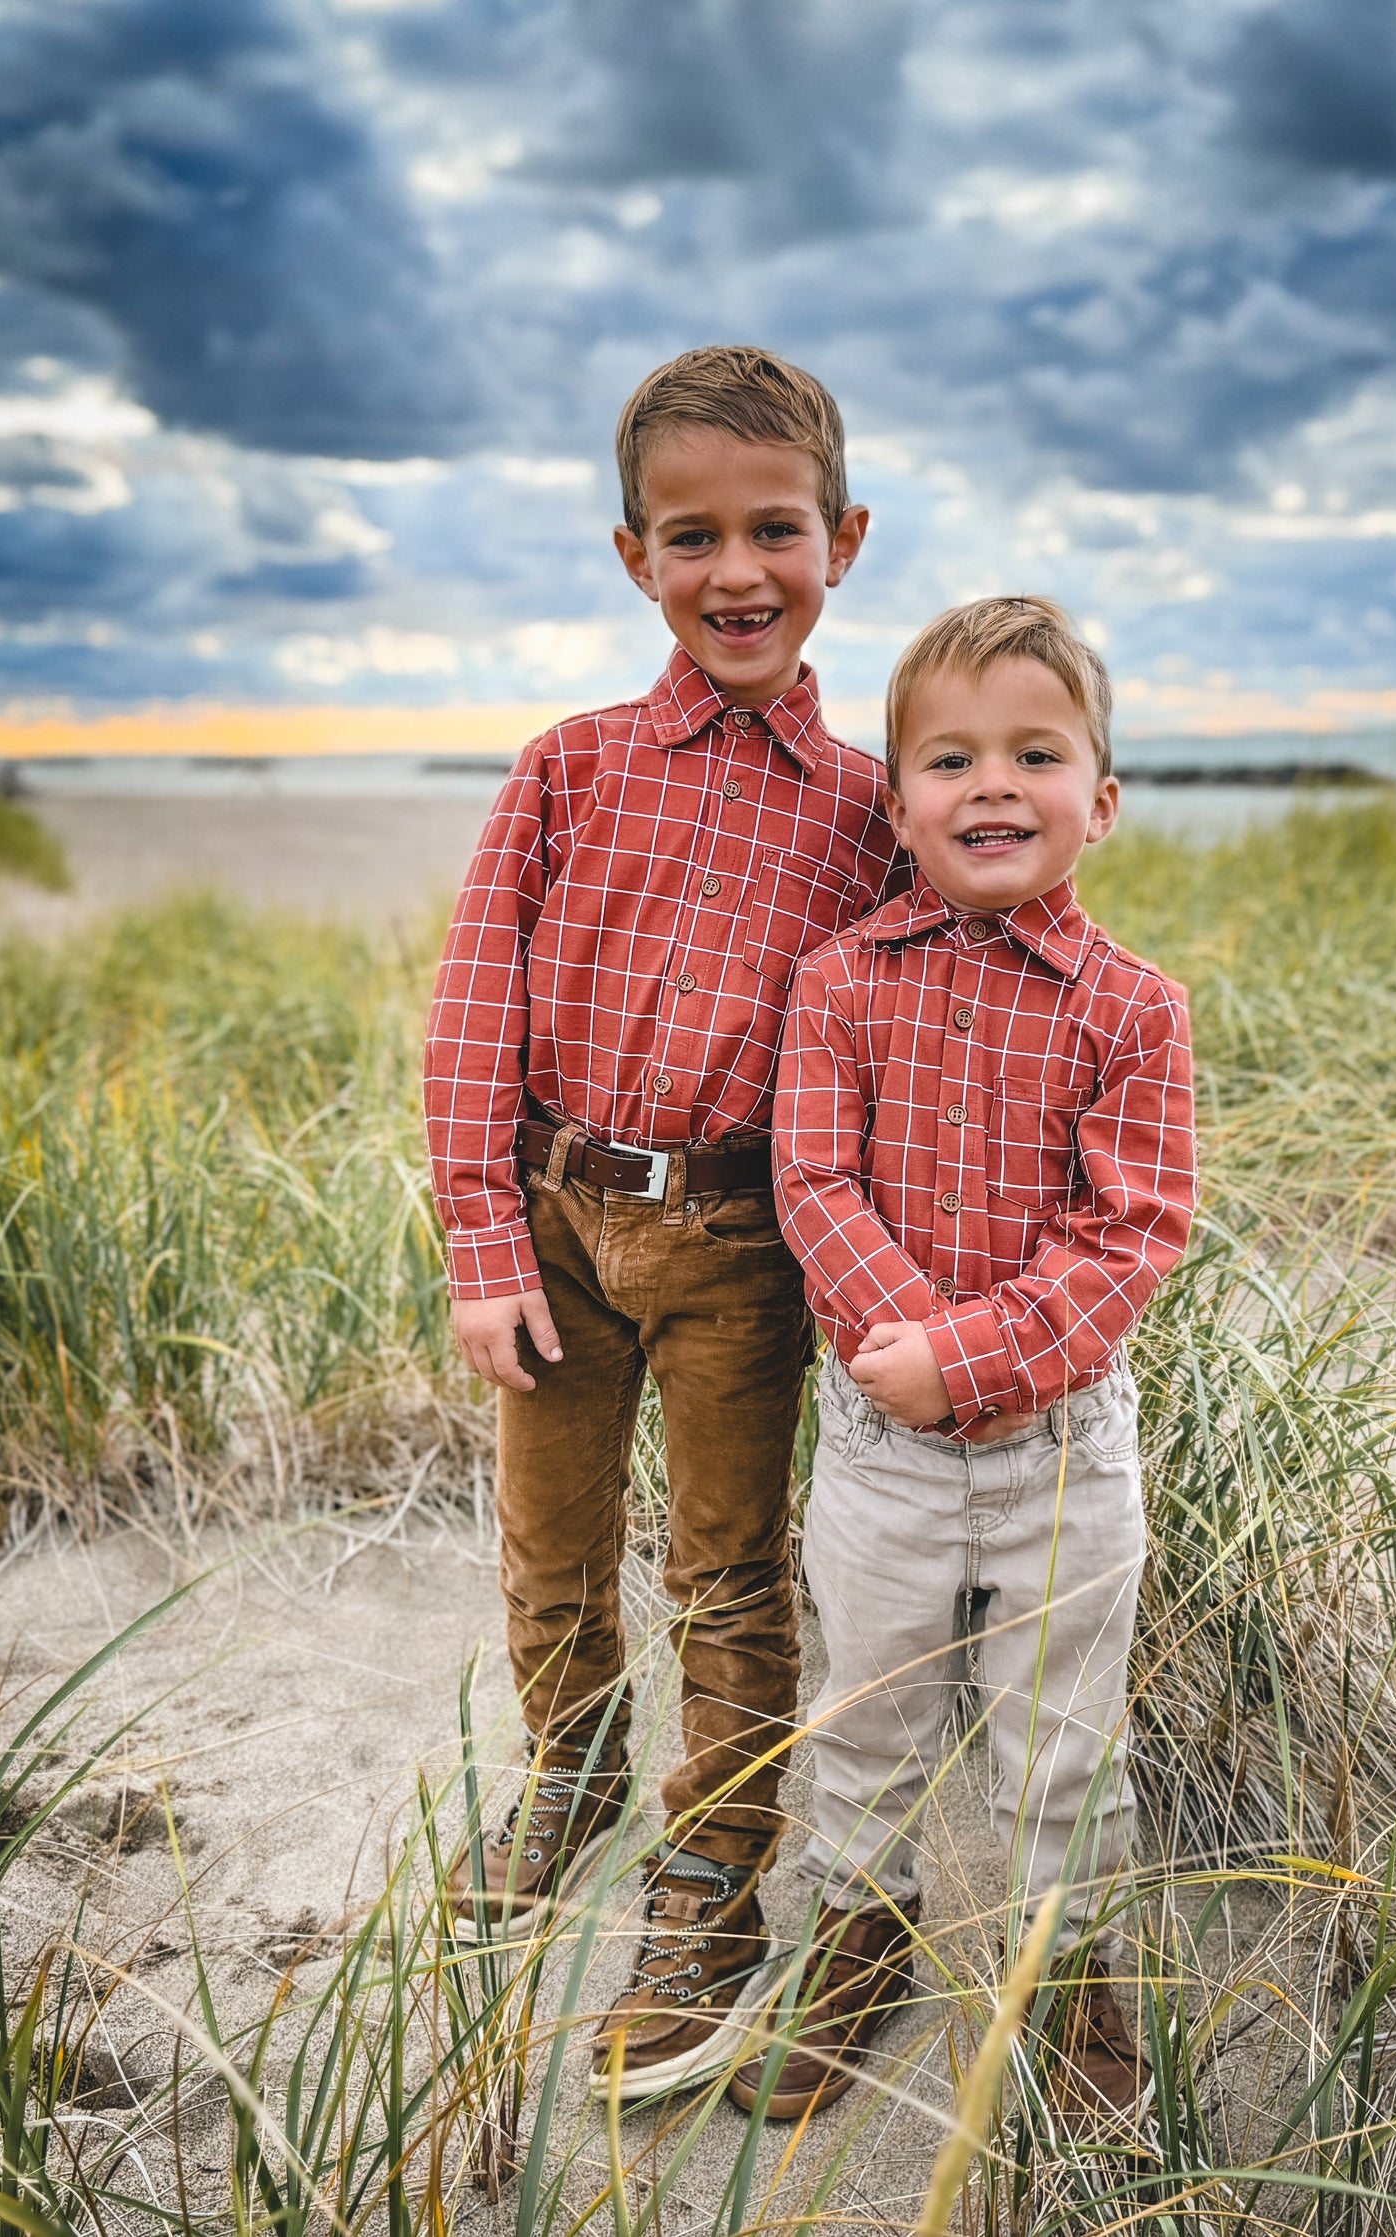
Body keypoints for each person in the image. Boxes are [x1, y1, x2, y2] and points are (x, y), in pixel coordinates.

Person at [422, 345, 901, 2105]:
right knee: (547, 1543)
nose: (735, 570)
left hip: (738, 1253)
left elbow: (901, 1033)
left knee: (727, 1567)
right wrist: (483, 1237)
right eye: (690, 536)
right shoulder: (569, 768)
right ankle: (566, 1776)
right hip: (554, 1219)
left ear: (840, 540)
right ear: (636, 559)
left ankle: (713, 1880)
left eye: (773, 528)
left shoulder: (871, 812)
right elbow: (477, 1008)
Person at [746, 595, 1197, 2135]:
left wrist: (971, 1356)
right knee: (863, 1711)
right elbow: (813, 1180)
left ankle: (1071, 1981)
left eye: (1034, 752)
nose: (992, 784)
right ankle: (859, 1936)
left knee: (1060, 1738)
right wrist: (900, 1350)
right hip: (880, 1450)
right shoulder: (840, 982)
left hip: (1065, 1450)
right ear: (896, 800)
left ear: (1101, 798)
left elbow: (1131, 1229)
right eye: (949, 757)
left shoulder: (1134, 1009)